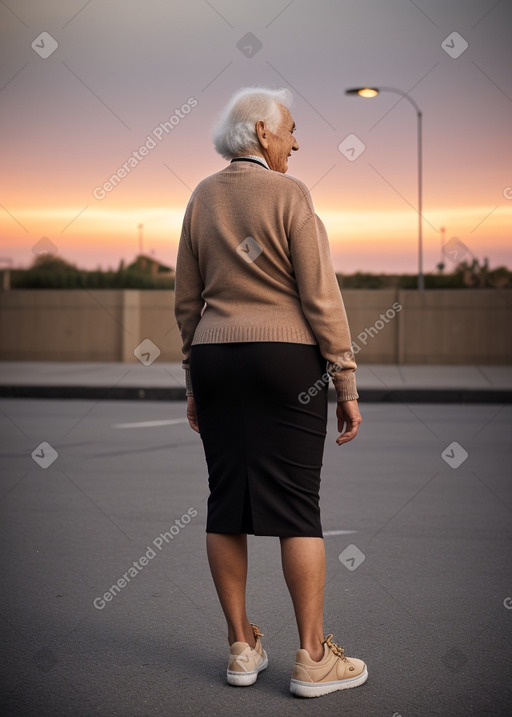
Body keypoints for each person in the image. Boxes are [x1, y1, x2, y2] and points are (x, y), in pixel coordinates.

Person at [174, 87, 367, 698]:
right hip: (285, 360)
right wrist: (346, 379)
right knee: (296, 507)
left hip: (215, 358)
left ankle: (240, 647)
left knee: (225, 501)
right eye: (290, 130)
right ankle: (312, 658)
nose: (296, 142)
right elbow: (320, 296)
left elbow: (186, 299)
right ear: (261, 131)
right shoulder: (292, 195)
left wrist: (193, 377)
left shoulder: (202, 196)